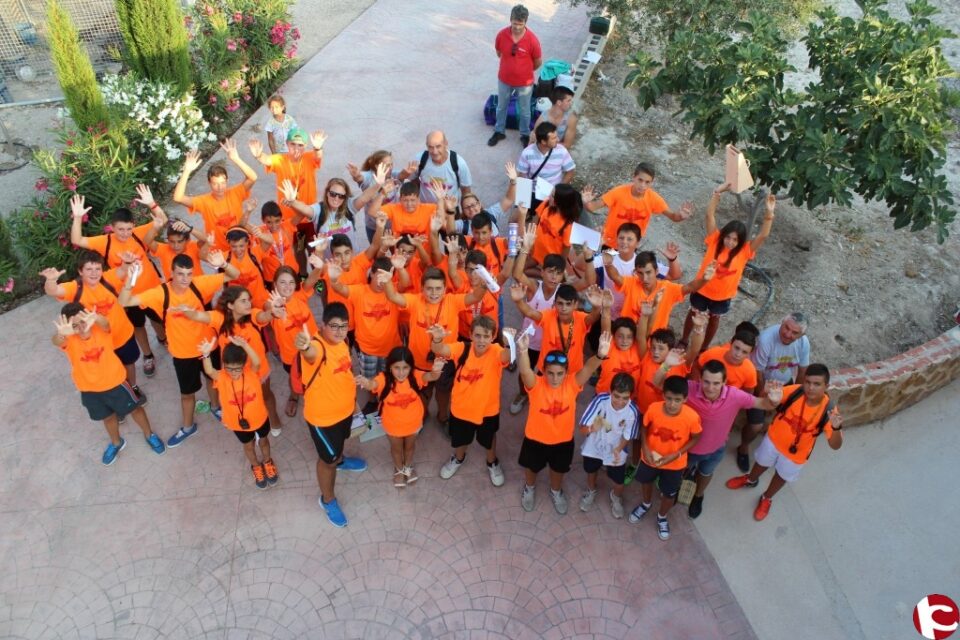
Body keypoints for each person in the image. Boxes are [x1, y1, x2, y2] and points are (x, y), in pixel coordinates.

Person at [119, 252, 240, 447]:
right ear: (171, 273)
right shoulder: (160, 293)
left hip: (208, 346)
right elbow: (124, 302)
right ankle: (188, 426)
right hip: (183, 354)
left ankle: (216, 407)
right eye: (180, 274)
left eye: (189, 274)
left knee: (213, 381)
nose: (185, 279)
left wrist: (223, 263)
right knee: (187, 394)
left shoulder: (199, 284)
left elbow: (234, 274)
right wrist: (131, 279)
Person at [660, 358, 782, 519]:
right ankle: (676, 491)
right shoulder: (688, 389)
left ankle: (698, 496)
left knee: (706, 473)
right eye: (706, 382)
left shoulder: (735, 395)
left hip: (716, 449)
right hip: (687, 448)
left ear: (725, 381)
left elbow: (764, 404)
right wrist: (666, 365)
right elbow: (659, 385)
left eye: (716, 383)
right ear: (699, 380)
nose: (710, 388)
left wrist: (773, 399)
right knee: (680, 473)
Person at [726, 363, 843, 521]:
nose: (810, 387)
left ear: (826, 385)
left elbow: (835, 445)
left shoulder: (829, 411)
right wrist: (770, 397)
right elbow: (768, 401)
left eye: (816, 384)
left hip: (796, 455)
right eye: (807, 382)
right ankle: (750, 479)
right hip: (773, 440)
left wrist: (836, 429)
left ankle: (767, 498)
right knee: (760, 462)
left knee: (781, 476)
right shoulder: (795, 391)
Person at [53, 303, 164, 465]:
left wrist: (95, 317)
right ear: (69, 327)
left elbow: (105, 324)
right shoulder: (69, 340)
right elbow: (56, 341)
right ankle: (116, 442)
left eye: (83, 321)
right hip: (90, 390)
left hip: (116, 383)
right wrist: (61, 334)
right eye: (75, 325)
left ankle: (150, 435)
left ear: (89, 318)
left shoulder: (101, 330)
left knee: (136, 410)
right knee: (107, 418)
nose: (81, 327)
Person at [69, 190, 165, 377]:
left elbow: (161, 220)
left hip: (152, 289)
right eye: (120, 229)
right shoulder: (105, 242)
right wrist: (78, 218)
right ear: (112, 227)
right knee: (138, 326)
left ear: (133, 226)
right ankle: (147, 355)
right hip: (128, 296)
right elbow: (77, 239)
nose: (125, 233)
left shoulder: (138, 234)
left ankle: (162, 338)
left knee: (157, 319)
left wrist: (152, 204)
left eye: (128, 228)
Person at [515, 329, 610, 514]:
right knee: (531, 468)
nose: (555, 378)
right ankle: (529, 488)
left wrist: (600, 355)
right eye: (550, 373)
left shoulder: (572, 384)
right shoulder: (536, 385)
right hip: (535, 439)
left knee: (558, 470)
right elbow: (525, 370)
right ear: (544, 371)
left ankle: (556, 491)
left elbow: (589, 368)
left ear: (566, 372)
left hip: (563, 441)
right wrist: (523, 351)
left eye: (559, 373)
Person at [295, 303, 368, 528]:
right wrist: (304, 347)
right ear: (322, 326)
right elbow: (310, 354)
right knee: (327, 461)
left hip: (345, 412)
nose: (338, 331)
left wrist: (354, 404)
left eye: (343, 326)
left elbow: (344, 375)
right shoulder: (317, 346)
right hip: (323, 420)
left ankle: (341, 459)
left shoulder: (342, 343)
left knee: (338, 448)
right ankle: (327, 500)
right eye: (333, 326)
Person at [381, 266, 485, 424]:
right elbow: (393, 296)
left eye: (438, 288)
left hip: (446, 361)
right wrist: (388, 281)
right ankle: (422, 415)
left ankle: (443, 417)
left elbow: (476, 297)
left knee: (443, 393)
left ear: (445, 289)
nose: (434, 293)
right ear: (422, 288)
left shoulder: (453, 301)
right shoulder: (415, 301)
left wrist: (485, 283)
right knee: (422, 393)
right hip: (419, 362)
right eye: (429, 288)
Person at [177, 285, 282, 436]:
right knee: (242, 399)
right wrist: (184, 309)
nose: (248, 304)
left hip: (257, 368)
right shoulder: (219, 319)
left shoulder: (252, 315)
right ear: (230, 305)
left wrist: (273, 310)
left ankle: (273, 417)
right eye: (243, 301)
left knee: (266, 395)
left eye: (249, 300)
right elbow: (198, 316)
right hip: (233, 373)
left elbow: (264, 316)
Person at [681, 185, 776, 348]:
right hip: (701, 289)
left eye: (735, 240)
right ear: (724, 235)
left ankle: (704, 347)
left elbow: (764, 235)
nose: (730, 242)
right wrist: (718, 192)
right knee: (694, 313)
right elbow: (709, 214)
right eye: (728, 237)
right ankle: (683, 340)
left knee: (714, 319)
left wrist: (769, 213)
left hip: (723, 296)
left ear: (740, 241)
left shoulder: (745, 251)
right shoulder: (715, 240)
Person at [42, 251, 143, 400]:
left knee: (129, 363)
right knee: (107, 370)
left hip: (122, 334)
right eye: (89, 269)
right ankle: (117, 396)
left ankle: (132, 387)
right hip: (99, 341)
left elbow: (122, 270)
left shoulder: (109, 279)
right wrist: (50, 281)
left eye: (98, 269)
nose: (94, 273)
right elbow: (54, 290)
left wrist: (127, 262)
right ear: (80, 271)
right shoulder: (75, 288)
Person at [429, 317, 513, 486]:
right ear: (470, 335)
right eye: (478, 335)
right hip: (461, 409)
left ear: (493, 336)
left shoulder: (497, 351)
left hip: (487, 411)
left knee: (489, 439)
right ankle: (459, 458)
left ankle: (492, 462)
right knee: (460, 439)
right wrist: (437, 338)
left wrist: (509, 342)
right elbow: (439, 349)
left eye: (486, 336)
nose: (481, 340)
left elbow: (507, 356)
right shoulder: (462, 348)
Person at [355, 347, 443, 487]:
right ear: (390, 366)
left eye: (405, 368)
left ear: (411, 367)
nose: (401, 372)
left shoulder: (415, 376)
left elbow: (431, 376)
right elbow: (373, 384)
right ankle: (399, 469)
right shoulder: (383, 379)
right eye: (397, 367)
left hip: (413, 423)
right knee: (396, 449)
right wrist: (366, 383)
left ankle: (408, 467)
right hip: (392, 424)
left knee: (410, 447)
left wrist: (436, 370)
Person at [199, 336, 279, 489]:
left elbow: (257, 362)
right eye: (229, 368)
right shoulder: (222, 377)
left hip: (259, 418)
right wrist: (206, 354)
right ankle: (256, 466)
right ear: (224, 366)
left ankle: (268, 462)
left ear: (244, 365)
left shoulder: (251, 373)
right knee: (248, 446)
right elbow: (209, 370)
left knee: (264, 441)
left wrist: (246, 345)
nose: (233, 372)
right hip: (237, 424)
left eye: (237, 369)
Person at [627, 376, 702, 541]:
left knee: (669, 493)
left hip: (675, 464)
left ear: (685, 399)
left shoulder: (691, 417)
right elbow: (644, 428)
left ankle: (662, 516)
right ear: (663, 395)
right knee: (645, 482)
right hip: (649, 459)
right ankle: (646, 504)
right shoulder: (653, 409)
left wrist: (678, 454)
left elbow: (696, 437)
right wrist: (645, 448)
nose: (672, 404)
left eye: (677, 400)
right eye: (669, 398)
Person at [735, 312, 811, 472]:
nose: (788, 334)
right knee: (756, 425)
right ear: (781, 323)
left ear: (802, 334)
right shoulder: (766, 340)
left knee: (792, 419)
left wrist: (796, 396)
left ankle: (779, 446)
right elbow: (758, 373)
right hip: (763, 385)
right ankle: (743, 448)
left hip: (785, 384)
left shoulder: (803, 343)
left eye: (794, 332)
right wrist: (764, 395)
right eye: (786, 328)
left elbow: (802, 371)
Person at [508, 225, 563, 414]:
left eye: (557, 273)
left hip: (551, 344)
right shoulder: (533, 287)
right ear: (542, 272)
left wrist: (588, 257)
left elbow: (587, 281)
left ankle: (540, 396)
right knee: (525, 372)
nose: (553, 276)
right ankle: (522, 394)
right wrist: (526, 247)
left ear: (562, 276)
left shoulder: (563, 293)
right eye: (550, 271)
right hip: (529, 342)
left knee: (545, 374)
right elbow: (516, 274)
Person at [258, 265, 323, 419]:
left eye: (291, 282)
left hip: (314, 347)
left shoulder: (300, 296)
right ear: (274, 284)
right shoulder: (270, 303)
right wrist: (275, 308)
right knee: (294, 378)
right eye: (282, 283)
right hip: (291, 355)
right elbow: (267, 310)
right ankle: (294, 396)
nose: (287, 287)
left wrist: (318, 261)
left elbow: (312, 279)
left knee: (317, 374)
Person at [173, 141, 258, 252]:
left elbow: (253, 177)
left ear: (227, 181)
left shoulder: (235, 193)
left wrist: (236, 158)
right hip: (220, 253)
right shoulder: (203, 201)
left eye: (223, 182)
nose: (220, 187)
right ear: (209, 183)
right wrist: (187, 171)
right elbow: (178, 198)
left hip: (242, 248)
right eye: (215, 183)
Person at [582, 162, 693, 248]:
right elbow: (592, 207)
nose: (642, 185)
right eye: (640, 180)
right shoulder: (618, 192)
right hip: (611, 242)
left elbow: (673, 217)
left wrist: (681, 216)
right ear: (633, 177)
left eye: (647, 182)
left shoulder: (653, 198)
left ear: (652, 182)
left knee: (624, 274)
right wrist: (586, 202)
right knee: (607, 270)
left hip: (632, 245)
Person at [603, 250, 714, 332]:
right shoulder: (632, 283)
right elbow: (615, 277)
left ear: (656, 271)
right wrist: (608, 264)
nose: (644, 278)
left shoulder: (667, 288)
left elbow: (689, 287)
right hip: (627, 336)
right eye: (640, 273)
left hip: (653, 341)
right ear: (635, 272)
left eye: (648, 272)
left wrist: (705, 279)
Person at [578, 372, 639, 518]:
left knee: (619, 480)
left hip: (616, 451)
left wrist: (618, 449)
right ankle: (591, 490)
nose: (619, 402)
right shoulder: (600, 400)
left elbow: (627, 435)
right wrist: (592, 428)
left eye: (625, 398)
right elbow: (582, 428)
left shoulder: (633, 411)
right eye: (616, 396)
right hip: (594, 446)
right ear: (610, 391)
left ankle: (616, 497)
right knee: (591, 470)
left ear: (630, 396)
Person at [510, 282, 604, 375]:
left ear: (576, 305)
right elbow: (530, 312)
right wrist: (519, 301)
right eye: (560, 303)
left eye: (568, 304)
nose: (564, 308)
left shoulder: (581, 319)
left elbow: (593, 317)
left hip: (571, 373)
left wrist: (596, 307)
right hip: (547, 370)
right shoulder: (548, 316)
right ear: (554, 304)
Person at [488, 4, 542, 148]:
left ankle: (524, 134)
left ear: (526, 22)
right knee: (501, 107)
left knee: (525, 111)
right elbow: (499, 52)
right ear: (510, 20)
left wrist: (524, 71)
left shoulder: (532, 40)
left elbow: (538, 62)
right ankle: (499, 131)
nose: (517, 27)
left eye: (520, 24)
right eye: (514, 23)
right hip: (504, 80)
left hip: (524, 83)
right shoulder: (501, 35)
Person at [248, 128, 325, 221]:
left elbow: (318, 156)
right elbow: (267, 160)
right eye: (293, 144)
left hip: (309, 213)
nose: (296, 149)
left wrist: (317, 148)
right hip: (288, 216)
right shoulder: (280, 160)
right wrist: (259, 155)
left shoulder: (309, 157)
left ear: (305, 146)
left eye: (300, 145)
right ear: (287, 143)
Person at [399, 130, 473, 205]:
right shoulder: (420, 159)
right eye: (430, 147)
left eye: (438, 146)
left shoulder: (459, 163)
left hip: (449, 211)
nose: (435, 152)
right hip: (426, 209)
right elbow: (411, 180)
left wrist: (465, 211)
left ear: (446, 144)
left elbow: (466, 190)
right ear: (426, 146)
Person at [447, 162, 520, 236]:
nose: (471, 209)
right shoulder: (463, 224)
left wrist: (513, 180)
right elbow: (450, 230)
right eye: (467, 207)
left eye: (473, 205)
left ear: (479, 204)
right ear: (463, 211)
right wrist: (449, 210)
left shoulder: (491, 213)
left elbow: (508, 199)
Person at [517, 122, 575, 211]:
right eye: (554, 138)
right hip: (533, 192)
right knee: (518, 218)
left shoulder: (562, 151)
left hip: (553, 193)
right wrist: (523, 203)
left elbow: (570, 171)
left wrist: (558, 190)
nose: (558, 140)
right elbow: (522, 177)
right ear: (543, 142)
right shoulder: (527, 153)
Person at [528, 184, 582, 266]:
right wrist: (529, 243)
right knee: (519, 270)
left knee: (520, 271)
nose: (549, 197)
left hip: (549, 260)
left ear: (561, 201)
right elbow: (534, 222)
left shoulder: (567, 225)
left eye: (552, 196)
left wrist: (560, 267)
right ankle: (543, 275)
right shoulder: (546, 204)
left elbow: (565, 250)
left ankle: (545, 276)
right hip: (534, 250)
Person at [692, 329, 759, 392]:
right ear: (730, 343)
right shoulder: (713, 353)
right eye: (736, 348)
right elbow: (696, 366)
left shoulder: (750, 371)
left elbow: (747, 395)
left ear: (750, 353)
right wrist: (696, 388)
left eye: (744, 352)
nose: (738, 354)